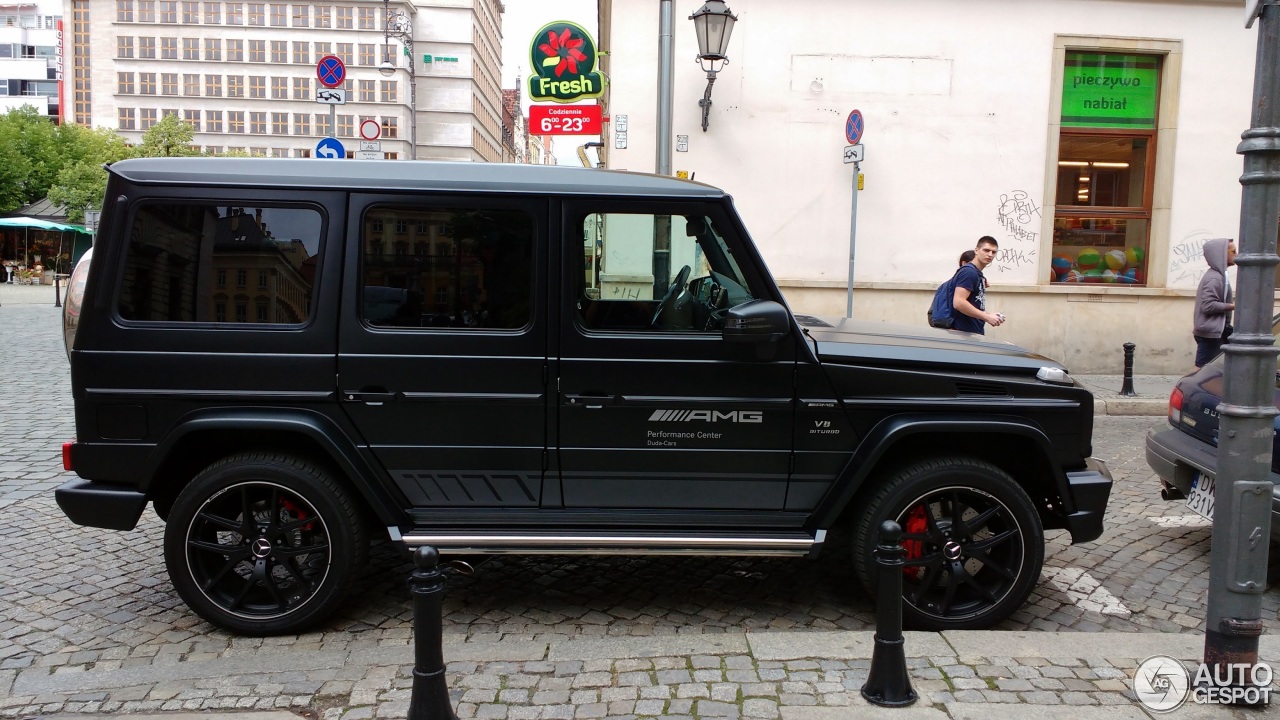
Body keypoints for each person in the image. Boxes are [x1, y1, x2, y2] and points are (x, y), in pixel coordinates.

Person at [1192, 237, 1236, 368]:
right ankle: (1186, 388)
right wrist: (1233, 306)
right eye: (1233, 251)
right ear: (1222, 254)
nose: (1236, 255)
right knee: (1202, 372)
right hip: (1211, 334)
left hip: (1218, 331)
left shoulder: (1219, 275)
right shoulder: (1215, 278)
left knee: (1217, 371)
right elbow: (1208, 305)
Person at [951, 236, 1004, 334]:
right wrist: (987, 317)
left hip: (971, 332)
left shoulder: (977, 274)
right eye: (986, 250)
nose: (990, 254)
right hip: (963, 333)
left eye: (993, 252)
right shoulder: (969, 272)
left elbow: (973, 305)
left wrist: (989, 315)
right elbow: (958, 302)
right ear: (976, 250)